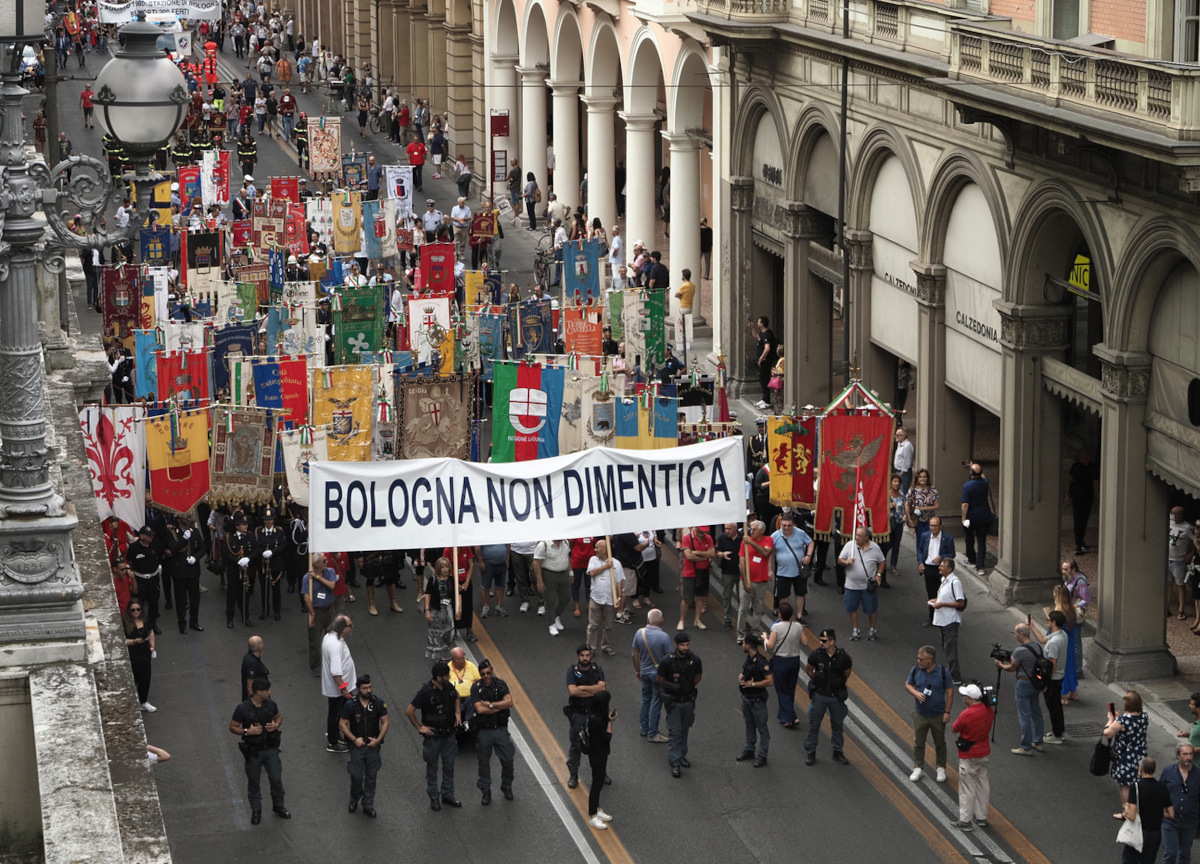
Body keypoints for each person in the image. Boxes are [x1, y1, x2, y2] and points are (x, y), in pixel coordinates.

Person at [229, 679, 289, 824]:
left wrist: (276, 725)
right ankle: (256, 810)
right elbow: (232, 727)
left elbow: (278, 717)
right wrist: (247, 731)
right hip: (253, 752)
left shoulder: (270, 704)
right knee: (254, 782)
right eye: (267, 690)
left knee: (276, 778)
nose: (270, 692)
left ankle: (279, 806)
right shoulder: (242, 709)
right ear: (259, 692)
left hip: (270, 748)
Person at [406, 662, 463, 810]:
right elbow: (409, 711)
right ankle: (434, 797)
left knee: (449, 766)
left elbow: (456, 696)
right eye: (446, 675)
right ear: (438, 677)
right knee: (432, 768)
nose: (449, 677)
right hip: (433, 737)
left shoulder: (448, 686)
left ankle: (448, 795)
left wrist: (458, 714)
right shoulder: (425, 692)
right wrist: (420, 727)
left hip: (449, 735)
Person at [338, 674, 389, 818]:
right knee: (356, 775)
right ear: (359, 689)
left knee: (371, 777)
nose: (368, 690)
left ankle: (368, 804)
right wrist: (354, 740)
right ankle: (354, 798)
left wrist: (378, 740)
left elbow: (385, 722)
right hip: (357, 747)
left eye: (370, 687)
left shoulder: (378, 703)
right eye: (365, 688)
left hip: (373, 746)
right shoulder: (350, 705)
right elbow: (342, 724)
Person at [904, 645, 954, 783]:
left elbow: (950, 692)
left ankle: (941, 767)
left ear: (930, 660)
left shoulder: (943, 672)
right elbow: (908, 684)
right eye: (918, 658)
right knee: (918, 742)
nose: (918, 661)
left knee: (939, 742)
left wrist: (947, 712)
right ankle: (918, 767)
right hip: (921, 714)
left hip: (938, 714)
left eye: (921, 659)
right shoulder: (916, 670)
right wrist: (915, 693)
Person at [993, 623, 1045, 755]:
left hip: (1023, 684)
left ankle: (1026, 746)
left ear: (1021, 634)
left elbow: (1012, 668)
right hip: (1035, 683)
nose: (1015, 635)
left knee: (1024, 716)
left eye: (1016, 633)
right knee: (1036, 712)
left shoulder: (1020, 651)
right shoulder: (1037, 647)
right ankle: (1038, 741)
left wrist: (1001, 665)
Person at [804, 628, 853, 766]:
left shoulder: (843, 658)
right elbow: (809, 669)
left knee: (837, 724)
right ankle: (810, 752)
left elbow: (847, 673)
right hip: (820, 695)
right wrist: (819, 681)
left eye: (824, 641)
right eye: (821, 640)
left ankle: (837, 751)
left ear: (832, 641)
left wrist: (836, 684)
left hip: (836, 696)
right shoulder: (816, 655)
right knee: (814, 724)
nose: (821, 643)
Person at [656, 631, 702, 778]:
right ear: (677, 645)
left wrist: (686, 688)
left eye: (687, 644)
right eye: (683, 645)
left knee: (685, 730)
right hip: (674, 702)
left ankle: (681, 755)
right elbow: (661, 679)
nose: (685, 647)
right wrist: (673, 689)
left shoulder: (695, 660)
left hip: (688, 700)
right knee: (675, 732)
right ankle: (675, 762)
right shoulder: (667, 661)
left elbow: (698, 677)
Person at [950, 683, 995, 831]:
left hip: (969, 754)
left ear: (970, 699)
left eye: (964, 696)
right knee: (983, 784)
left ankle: (965, 820)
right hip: (984, 752)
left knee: (967, 788)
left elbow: (954, 729)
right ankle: (981, 817)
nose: (963, 698)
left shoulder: (966, 714)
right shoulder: (988, 711)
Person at [472, 659, 515, 804]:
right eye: (483, 674)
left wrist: (489, 705)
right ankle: (486, 791)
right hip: (484, 731)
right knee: (484, 763)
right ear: (480, 675)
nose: (486, 676)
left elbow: (509, 702)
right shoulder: (476, 688)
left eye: (488, 673)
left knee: (508, 759)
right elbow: (479, 709)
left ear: (492, 671)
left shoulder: (501, 684)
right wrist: (499, 706)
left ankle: (506, 786)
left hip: (500, 729)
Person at [565, 644, 608, 789]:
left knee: (599, 745)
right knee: (576, 745)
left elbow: (602, 689)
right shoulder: (572, 671)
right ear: (578, 656)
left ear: (591, 656)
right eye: (582, 655)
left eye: (587, 655)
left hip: (595, 713)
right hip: (579, 713)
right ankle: (573, 774)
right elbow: (573, 692)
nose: (585, 658)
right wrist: (592, 691)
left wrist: (582, 688)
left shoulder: (597, 670)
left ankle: (601, 772)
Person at [837, 526, 885, 642]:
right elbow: (839, 560)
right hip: (851, 585)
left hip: (868, 586)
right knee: (852, 608)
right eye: (856, 535)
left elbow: (882, 561)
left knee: (871, 609)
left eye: (859, 536)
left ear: (867, 538)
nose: (856, 537)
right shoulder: (850, 546)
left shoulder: (875, 548)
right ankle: (855, 629)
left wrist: (878, 575)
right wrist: (846, 562)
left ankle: (872, 629)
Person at [1124, 757, 1174, 864]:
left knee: (1129, 860)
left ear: (1140, 769)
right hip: (1155, 834)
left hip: (1138, 832)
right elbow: (1171, 813)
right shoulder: (1162, 786)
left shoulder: (1136, 787)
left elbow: (1132, 816)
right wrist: (1158, 813)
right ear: (1154, 770)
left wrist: (1126, 809)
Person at [632, 608, 672, 741]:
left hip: (644, 672)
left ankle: (643, 728)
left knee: (645, 700)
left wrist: (638, 670)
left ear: (648, 620)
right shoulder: (664, 637)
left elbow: (635, 654)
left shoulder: (639, 633)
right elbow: (669, 658)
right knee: (656, 702)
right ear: (661, 620)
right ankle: (653, 733)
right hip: (658, 675)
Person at [1107, 691, 1150, 811]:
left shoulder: (1123, 720)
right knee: (1139, 781)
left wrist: (1111, 720)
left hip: (1126, 756)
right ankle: (1142, 808)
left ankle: (1127, 812)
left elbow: (1108, 733)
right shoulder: (1144, 715)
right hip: (1140, 753)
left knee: (1125, 784)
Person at [765, 601, 805, 728]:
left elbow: (770, 645)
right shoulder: (798, 626)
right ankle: (784, 716)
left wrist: (764, 638)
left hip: (781, 661)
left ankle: (791, 716)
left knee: (781, 689)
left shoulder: (776, 628)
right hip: (794, 660)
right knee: (790, 688)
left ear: (780, 614)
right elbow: (805, 641)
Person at [1030, 609, 1068, 743]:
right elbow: (1042, 639)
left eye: (1049, 620)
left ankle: (1056, 735)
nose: (1047, 622)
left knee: (1053, 707)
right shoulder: (1062, 635)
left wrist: (1045, 683)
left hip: (1053, 679)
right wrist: (1032, 626)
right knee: (1056, 705)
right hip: (1059, 676)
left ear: (1053, 622)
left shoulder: (1054, 642)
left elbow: (1053, 664)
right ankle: (1060, 731)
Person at [736, 632, 773, 767]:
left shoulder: (762, 662)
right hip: (747, 698)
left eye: (744, 643)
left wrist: (752, 684)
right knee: (749, 725)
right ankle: (749, 749)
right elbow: (748, 673)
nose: (742, 645)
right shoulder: (749, 659)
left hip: (757, 699)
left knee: (762, 727)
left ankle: (763, 755)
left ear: (748, 645)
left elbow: (770, 681)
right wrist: (742, 677)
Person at [321, 615, 356, 753]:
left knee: (336, 712)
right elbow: (336, 672)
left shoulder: (330, 637)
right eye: (349, 625)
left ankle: (334, 733)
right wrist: (344, 690)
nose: (351, 628)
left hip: (338, 688)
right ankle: (333, 742)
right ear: (342, 627)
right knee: (337, 714)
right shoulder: (335, 645)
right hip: (339, 689)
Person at [736, 520, 773, 644]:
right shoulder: (744, 543)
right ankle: (741, 634)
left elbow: (765, 552)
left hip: (761, 582)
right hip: (747, 581)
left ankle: (755, 632)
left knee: (758, 608)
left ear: (761, 531)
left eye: (754, 530)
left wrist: (751, 542)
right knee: (743, 608)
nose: (751, 531)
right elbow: (741, 563)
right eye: (751, 529)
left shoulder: (768, 540)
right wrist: (745, 581)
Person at [586, 539, 625, 655]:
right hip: (595, 598)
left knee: (608, 626)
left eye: (597, 547)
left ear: (605, 550)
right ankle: (590, 648)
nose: (595, 549)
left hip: (609, 600)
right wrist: (606, 566)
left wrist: (618, 598)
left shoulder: (616, 564)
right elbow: (591, 573)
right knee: (593, 625)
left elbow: (619, 582)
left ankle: (606, 646)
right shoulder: (593, 560)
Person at [930, 557, 966, 683]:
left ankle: (955, 676)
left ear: (949, 569)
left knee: (950, 648)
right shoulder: (944, 579)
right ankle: (951, 670)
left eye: (942, 566)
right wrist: (937, 600)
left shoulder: (955, 582)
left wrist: (942, 604)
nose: (939, 567)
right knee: (945, 646)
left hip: (950, 620)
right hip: (942, 619)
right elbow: (946, 597)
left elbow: (960, 603)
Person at [771, 511, 813, 618]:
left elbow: (811, 543)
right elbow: (768, 552)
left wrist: (808, 556)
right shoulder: (775, 536)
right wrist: (769, 570)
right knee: (783, 597)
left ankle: (799, 616)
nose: (786, 528)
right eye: (784, 525)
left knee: (800, 594)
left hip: (798, 571)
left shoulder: (800, 533)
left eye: (789, 525)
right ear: (781, 525)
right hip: (782, 572)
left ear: (793, 525)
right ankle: (786, 616)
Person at [167, 513, 204, 634]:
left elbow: (203, 548)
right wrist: (183, 539)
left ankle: (194, 622)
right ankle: (182, 623)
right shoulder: (172, 532)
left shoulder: (195, 531)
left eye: (188, 517)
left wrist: (195, 558)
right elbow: (172, 549)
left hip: (193, 570)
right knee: (181, 599)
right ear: (178, 519)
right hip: (179, 571)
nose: (188, 520)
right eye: (185, 518)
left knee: (195, 599)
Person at [585, 691, 616, 829]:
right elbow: (607, 737)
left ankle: (597, 809)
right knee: (597, 783)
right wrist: (609, 722)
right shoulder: (595, 720)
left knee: (599, 782)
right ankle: (592, 815)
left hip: (601, 752)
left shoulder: (598, 716)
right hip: (596, 753)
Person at [303, 553, 338, 674]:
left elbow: (332, 585)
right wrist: (312, 613)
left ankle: (334, 664)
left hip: (329, 610)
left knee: (334, 638)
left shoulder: (330, 572)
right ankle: (316, 667)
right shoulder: (307, 578)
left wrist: (318, 578)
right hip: (317, 612)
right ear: (316, 563)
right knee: (315, 642)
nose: (327, 562)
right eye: (324, 561)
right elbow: (306, 597)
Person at [127, 525, 164, 634]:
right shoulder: (134, 547)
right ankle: (140, 625)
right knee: (139, 603)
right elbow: (130, 561)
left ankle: (152, 624)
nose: (151, 537)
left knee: (154, 602)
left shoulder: (155, 544)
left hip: (153, 578)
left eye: (151, 535)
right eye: (148, 535)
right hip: (140, 580)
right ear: (141, 536)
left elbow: (161, 553)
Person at [679, 525, 716, 631]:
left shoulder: (708, 538)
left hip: (704, 572)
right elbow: (688, 556)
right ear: (696, 528)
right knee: (687, 598)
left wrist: (697, 553)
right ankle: (681, 620)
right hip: (690, 573)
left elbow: (712, 554)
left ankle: (697, 620)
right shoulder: (687, 538)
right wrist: (705, 556)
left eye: (705, 532)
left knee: (700, 597)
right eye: (701, 531)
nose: (703, 533)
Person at [960, 463, 994, 576]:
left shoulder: (967, 486)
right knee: (981, 541)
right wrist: (974, 467)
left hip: (971, 517)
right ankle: (980, 567)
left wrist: (963, 518)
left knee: (969, 539)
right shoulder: (985, 483)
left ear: (970, 473)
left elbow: (965, 504)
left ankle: (972, 560)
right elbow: (984, 477)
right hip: (984, 516)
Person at [123, 600, 156, 712]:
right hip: (132, 655)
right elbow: (121, 640)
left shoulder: (145, 620)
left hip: (145, 654)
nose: (136, 612)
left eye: (138, 609)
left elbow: (150, 632)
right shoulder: (124, 622)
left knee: (145, 679)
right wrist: (134, 641)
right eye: (133, 610)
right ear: (129, 611)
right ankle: (131, 703)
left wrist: (152, 647)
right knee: (133, 680)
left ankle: (144, 701)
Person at [535, 538, 572, 637]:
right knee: (550, 600)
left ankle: (556, 616)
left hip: (563, 573)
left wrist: (571, 572)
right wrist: (540, 581)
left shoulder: (565, 542)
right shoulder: (543, 545)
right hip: (549, 574)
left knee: (566, 597)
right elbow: (537, 563)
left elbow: (568, 556)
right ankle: (551, 623)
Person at [422, 557, 457, 660]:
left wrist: (459, 609)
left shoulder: (451, 579)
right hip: (436, 609)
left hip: (448, 608)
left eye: (446, 567)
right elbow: (427, 595)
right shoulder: (433, 579)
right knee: (437, 633)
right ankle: (439, 655)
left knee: (450, 632)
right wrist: (427, 611)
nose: (445, 569)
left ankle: (444, 651)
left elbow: (457, 594)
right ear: (438, 568)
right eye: (442, 567)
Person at [1066, 449, 1098, 554]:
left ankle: (1081, 540)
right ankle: (1078, 543)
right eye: (1083, 457)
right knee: (1078, 519)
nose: (1085, 459)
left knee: (1084, 520)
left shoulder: (1092, 468)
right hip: (1077, 496)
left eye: (1087, 456)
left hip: (1088, 497)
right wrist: (1068, 495)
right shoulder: (1076, 467)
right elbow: (1069, 481)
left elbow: (1095, 483)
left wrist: (1096, 496)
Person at [357, 548, 403, 617]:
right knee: (370, 578)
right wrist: (359, 556)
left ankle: (393, 602)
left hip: (386, 552)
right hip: (370, 553)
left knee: (389, 576)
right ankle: (371, 605)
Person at [1170, 507, 1197, 620]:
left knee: (1180, 585)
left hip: (1179, 561)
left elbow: (1195, 541)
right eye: (1172, 514)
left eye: (1177, 515)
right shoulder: (1169, 522)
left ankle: (1181, 610)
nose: (1174, 517)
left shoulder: (1187, 527)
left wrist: (1190, 555)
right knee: (1168, 584)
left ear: (1182, 515)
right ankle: (1167, 608)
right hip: (1167, 558)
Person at [1063, 558, 1091, 665]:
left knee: (1075, 643)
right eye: (1062, 569)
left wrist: (1075, 605)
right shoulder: (1068, 578)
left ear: (1073, 569)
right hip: (1067, 614)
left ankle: (1078, 669)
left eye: (1066, 569)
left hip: (1075, 615)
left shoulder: (1081, 582)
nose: (1063, 571)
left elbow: (1086, 600)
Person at [905, 468, 940, 550]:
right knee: (920, 539)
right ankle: (920, 560)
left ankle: (928, 558)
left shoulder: (932, 489)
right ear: (917, 478)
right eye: (920, 477)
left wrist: (924, 508)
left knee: (930, 539)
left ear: (927, 478)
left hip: (930, 519)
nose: (922, 479)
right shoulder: (912, 490)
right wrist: (909, 518)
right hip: (918, 519)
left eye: (924, 477)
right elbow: (907, 504)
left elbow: (937, 506)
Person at [477, 543, 509, 619]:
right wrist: (480, 561)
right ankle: (485, 607)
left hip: (502, 563)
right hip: (487, 563)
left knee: (500, 586)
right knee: (485, 586)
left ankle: (499, 606)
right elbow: (477, 547)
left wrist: (507, 559)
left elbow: (508, 544)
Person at [754, 317, 778, 410]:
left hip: (765, 361)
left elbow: (767, 348)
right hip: (763, 361)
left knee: (764, 380)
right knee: (762, 379)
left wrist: (761, 359)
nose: (757, 322)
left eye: (759, 321)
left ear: (762, 323)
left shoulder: (767, 334)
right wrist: (752, 328)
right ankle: (764, 399)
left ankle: (767, 401)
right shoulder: (762, 334)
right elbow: (757, 337)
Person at [893, 427, 914, 496]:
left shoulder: (907, 446)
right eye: (896, 435)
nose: (896, 436)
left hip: (903, 473)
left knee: (903, 492)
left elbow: (907, 461)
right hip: (897, 471)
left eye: (898, 435)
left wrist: (901, 473)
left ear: (903, 436)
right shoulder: (899, 444)